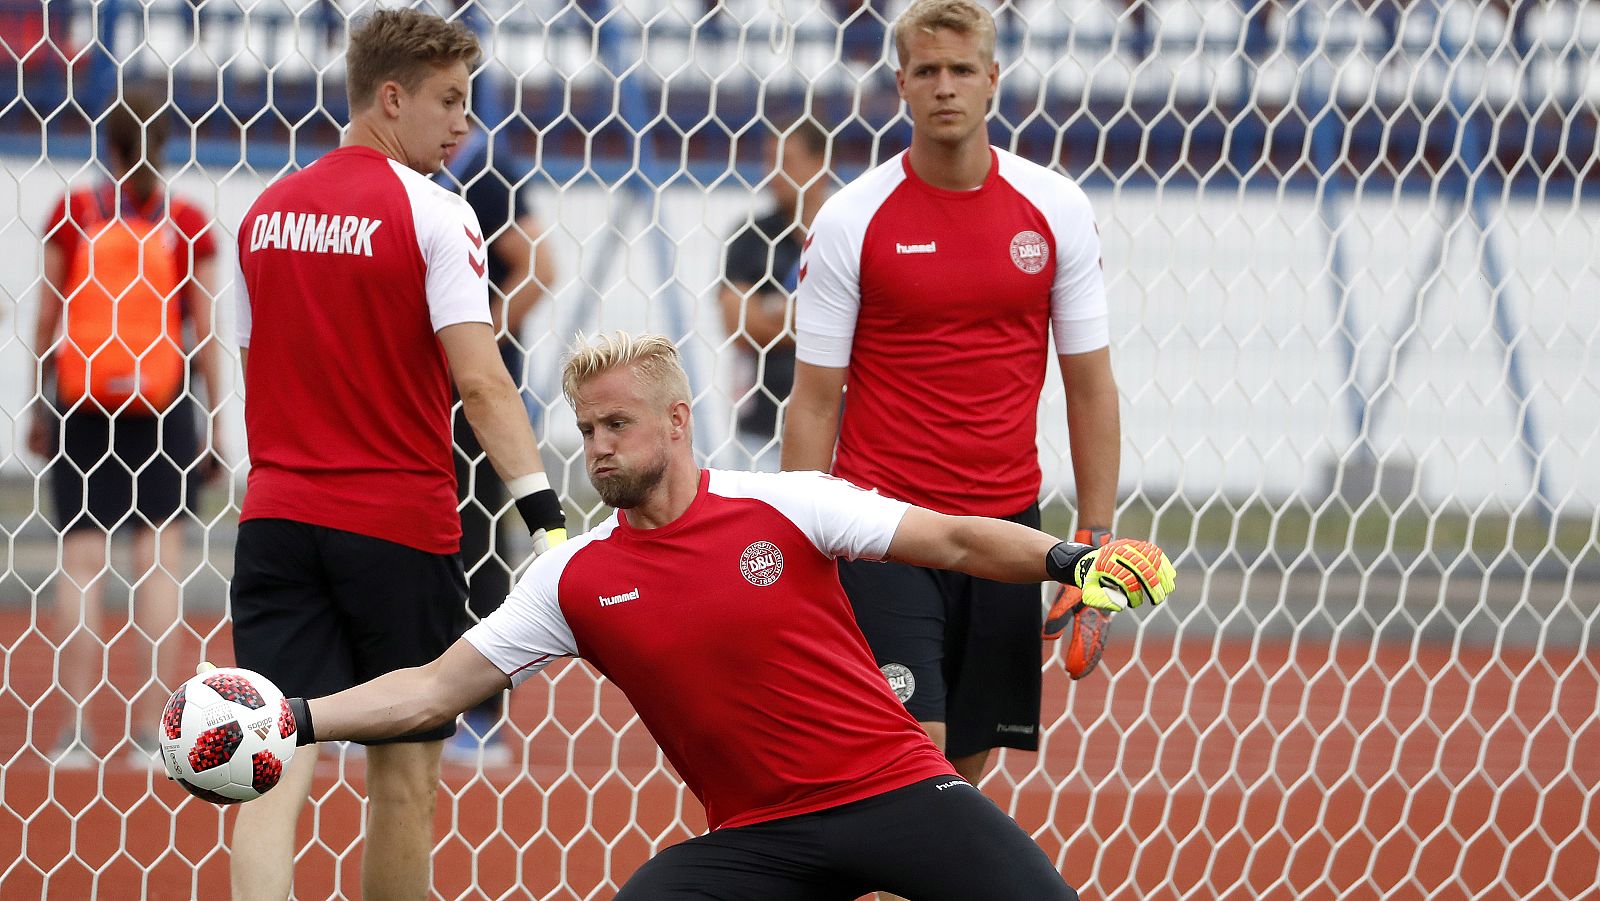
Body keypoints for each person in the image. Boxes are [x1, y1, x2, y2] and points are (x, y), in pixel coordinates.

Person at [266, 331, 1174, 900]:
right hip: (759, 839)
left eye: (617, 424)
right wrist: (295, 717)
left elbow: (955, 541)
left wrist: (1075, 557)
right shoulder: (574, 577)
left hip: (897, 793)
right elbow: (432, 689)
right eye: (586, 430)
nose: (598, 447)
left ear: (677, 419)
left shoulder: (787, 503)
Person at [227, 10, 566, 901]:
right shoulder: (437, 212)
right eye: (449, 101)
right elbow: (485, 383)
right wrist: (546, 519)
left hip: (279, 517)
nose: (464, 123)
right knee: (407, 776)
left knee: (267, 760)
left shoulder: (262, 215)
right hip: (397, 527)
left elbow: (253, 368)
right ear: (389, 97)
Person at [780, 0, 1124, 791]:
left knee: (962, 778)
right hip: (887, 528)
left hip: (1008, 533)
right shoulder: (850, 218)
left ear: (993, 79)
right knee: (912, 762)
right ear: (899, 83)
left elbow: (1092, 387)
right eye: (927, 71)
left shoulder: (1057, 208)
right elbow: (814, 399)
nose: (945, 87)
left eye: (961, 69)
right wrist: (805, 540)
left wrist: (1092, 547)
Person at [27, 83, 227, 767]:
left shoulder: (74, 212)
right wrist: (218, 429)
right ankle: (150, 732)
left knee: (81, 565)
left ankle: (74, 733)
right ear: (165, 145)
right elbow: (203, 333)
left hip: (81, 406)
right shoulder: (187, 220)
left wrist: (36, 402)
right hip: (163, 406)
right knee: (158, 567)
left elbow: (49, 317)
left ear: (106, 144)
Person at [435, 125, 557, 765]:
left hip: (470, 395)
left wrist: (476, 338)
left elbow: (540, 263)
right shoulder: (423, 180)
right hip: (428, 396)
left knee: (475, 541)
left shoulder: (483, 170)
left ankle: (480, 714)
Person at [716, 118, 830, 471]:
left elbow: (869, 322)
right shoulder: (751, 237)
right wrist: (828, 320)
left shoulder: (843, 234)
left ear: (821, 163)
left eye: (787, 160)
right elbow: (738, 324)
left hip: (835, 430)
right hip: (760, 431)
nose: (774, 172)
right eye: (769, 160)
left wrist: (774, 311)